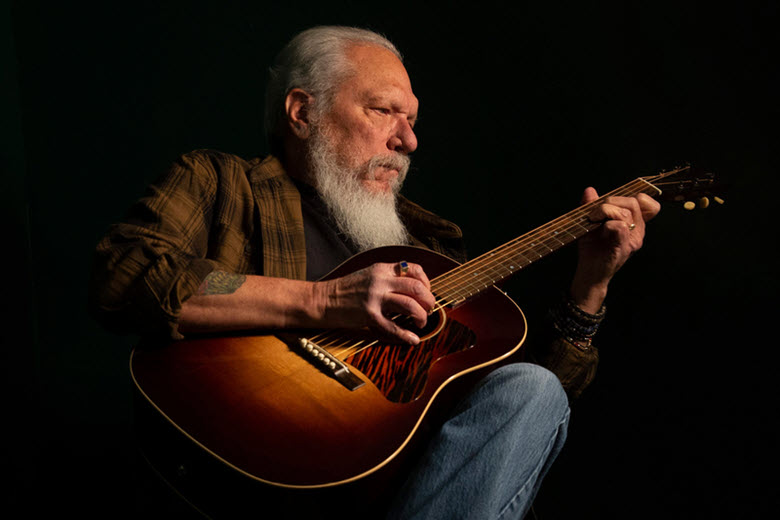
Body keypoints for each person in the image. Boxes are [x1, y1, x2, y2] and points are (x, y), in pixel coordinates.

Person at [90, 26, 660, 519]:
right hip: (251, 470)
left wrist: (592, 282)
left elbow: (516, 428)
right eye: (384, 110)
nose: (407, 141)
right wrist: (323, 301)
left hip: (396, 494)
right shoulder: (220, 184)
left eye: (411, 121)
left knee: (531, 389)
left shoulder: (431, 246)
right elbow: (125, 273)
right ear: (302, 111)